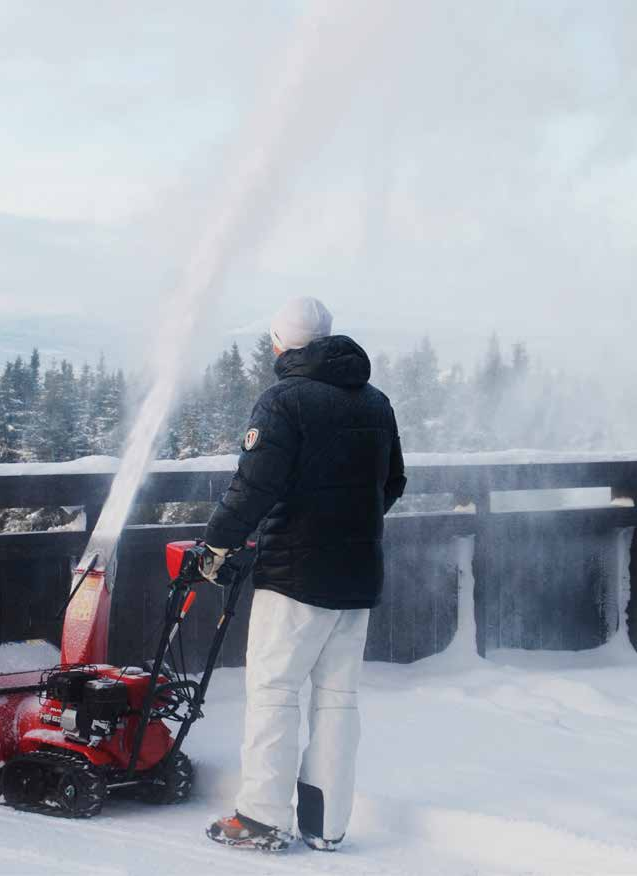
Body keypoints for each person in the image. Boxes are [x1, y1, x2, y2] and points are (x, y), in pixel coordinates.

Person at [201, 296, 406, 852]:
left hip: (294, 576)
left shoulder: (282, 402)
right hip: (357, 576)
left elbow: (253, 487)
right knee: (337, 699)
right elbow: (392, 484)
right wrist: (348, 526)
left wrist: (215, 544)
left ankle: (262, 819)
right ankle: (326, 824)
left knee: (274, 692)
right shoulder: (375, 402)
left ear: (279, 343)